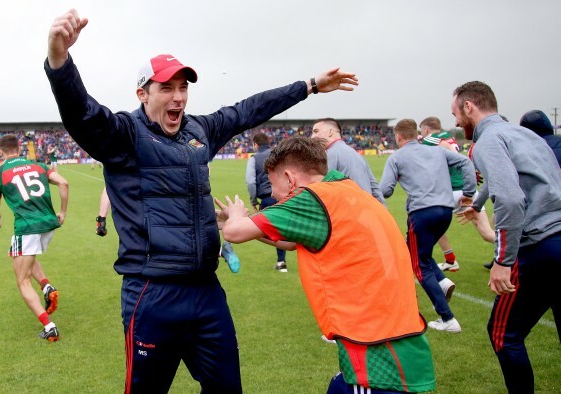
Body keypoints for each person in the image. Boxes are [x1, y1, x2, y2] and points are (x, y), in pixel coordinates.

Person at [45, 8, 358, 393]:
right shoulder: (124, 135)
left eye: (184, 88)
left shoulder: (199, 130)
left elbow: (248, 110)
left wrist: (309, 85)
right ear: (142, 93)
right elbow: (82, 114)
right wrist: (60, 60)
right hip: (152, 293)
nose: (178, 98)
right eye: (166, 88)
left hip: (206, 291)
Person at [219, 137, 436, 393]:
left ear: (290, 178)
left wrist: (234, 217)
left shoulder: (311, 199)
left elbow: (234, 233)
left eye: (274, 188)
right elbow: (290, 242)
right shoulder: (344, 190)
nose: (275, 197)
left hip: (378, 355)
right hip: (397, 339)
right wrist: (242, 224)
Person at [451, 81, 561, 393]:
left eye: (456, 113)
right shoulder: (524, 134)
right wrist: (478, 201)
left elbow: (511, 199)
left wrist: (503, 261)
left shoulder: (488, 142)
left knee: (503, 333)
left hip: (539, 245)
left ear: (469, 107)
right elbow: (519, 174)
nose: (456, 122)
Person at [379, 119, 477, 333]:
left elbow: (385, 190)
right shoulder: (437, 152)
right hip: (445, 211)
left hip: (421, 213)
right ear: (417, 134)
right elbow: (466, 163)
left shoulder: (397, 157)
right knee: (418, 251)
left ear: (398, 137)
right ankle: (441, 282)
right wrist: (469, 194)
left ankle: (447, 317)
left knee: (418, 263)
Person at [0, 134, 69, 342]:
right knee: (20, 254)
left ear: (0, 151)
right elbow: (64, 183)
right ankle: (45, 285)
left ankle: (49, 327)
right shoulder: (38, 166)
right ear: (19, 148)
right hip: (49, 225)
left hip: (27, 227)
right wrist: (63, 213)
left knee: (22, 280)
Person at [419, 116, 495, 272]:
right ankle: (515, 252)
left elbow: (448, 149)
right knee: (487, 233)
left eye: (422, 131)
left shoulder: (431, 139)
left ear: (426, 129)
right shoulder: (449, 136)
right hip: (469, 189)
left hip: (453, 191)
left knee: (430, 226)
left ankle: (447, 260)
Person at [310, 117, 386, 205]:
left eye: (316, 131)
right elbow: (375, 190)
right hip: (367, 212)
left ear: (330, 132)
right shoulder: (358, 155)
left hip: (349, 214)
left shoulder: (330, 154)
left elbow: (321, 192)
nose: (312, 136)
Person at [245, 132, 288, 272]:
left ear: (256, 144)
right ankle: (281, 261)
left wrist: (253, 200)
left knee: (260, 230)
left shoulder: (254, 158)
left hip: (266, 199)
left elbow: (250, 181)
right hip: (283, 197)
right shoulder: (279, 155)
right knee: (281, 230)